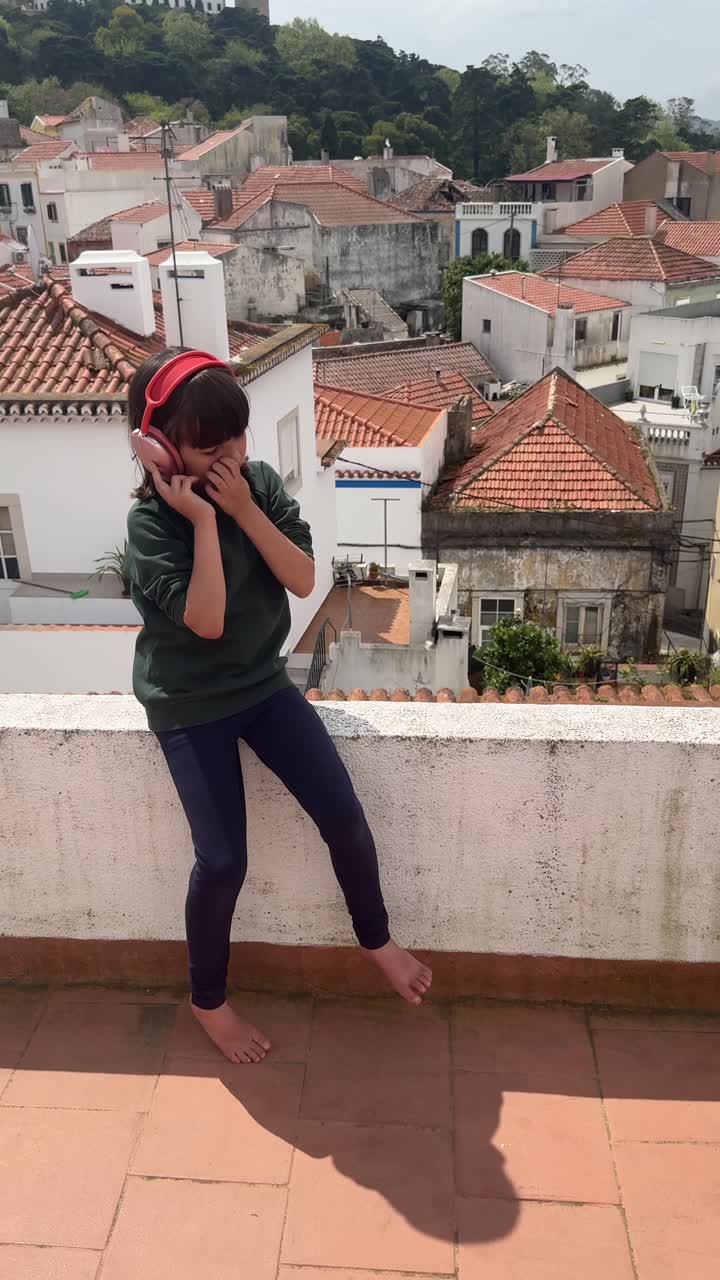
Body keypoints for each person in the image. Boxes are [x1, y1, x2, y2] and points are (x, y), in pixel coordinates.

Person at [125, 348, 432, 1064]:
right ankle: (208, 1002)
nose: (232, 453)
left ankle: (376, 939)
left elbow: (299, 579)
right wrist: (203, 523)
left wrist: (239, 507)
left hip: (262, 685)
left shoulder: (256, 485)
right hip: (189, 703)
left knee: (345, 817)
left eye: (238, 436)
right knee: (223, 860)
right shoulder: (150, 530)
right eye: (211, 444)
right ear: (159, 447)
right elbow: (204, 621)